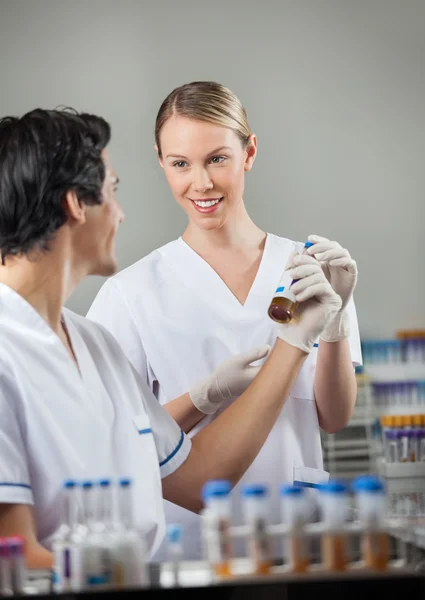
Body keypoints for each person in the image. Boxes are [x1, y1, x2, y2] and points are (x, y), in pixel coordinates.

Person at [0, 108, 343, 569]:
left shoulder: (93, 346)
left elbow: (200, 479)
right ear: (74, 204)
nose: (119, 213)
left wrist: (296, 342)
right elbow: (13, 558)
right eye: (111, 190)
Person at [87, 81, 362, 560]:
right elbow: (119, 440)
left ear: (249, 152)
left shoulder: (309, 272)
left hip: (294, 529)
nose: (202, 183)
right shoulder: (130, 293)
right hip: (189, 540)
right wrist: (204, 396)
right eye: (180, 164)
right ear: (161, 162)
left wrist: (335, 324)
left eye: (217, 158)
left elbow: (334, 419)